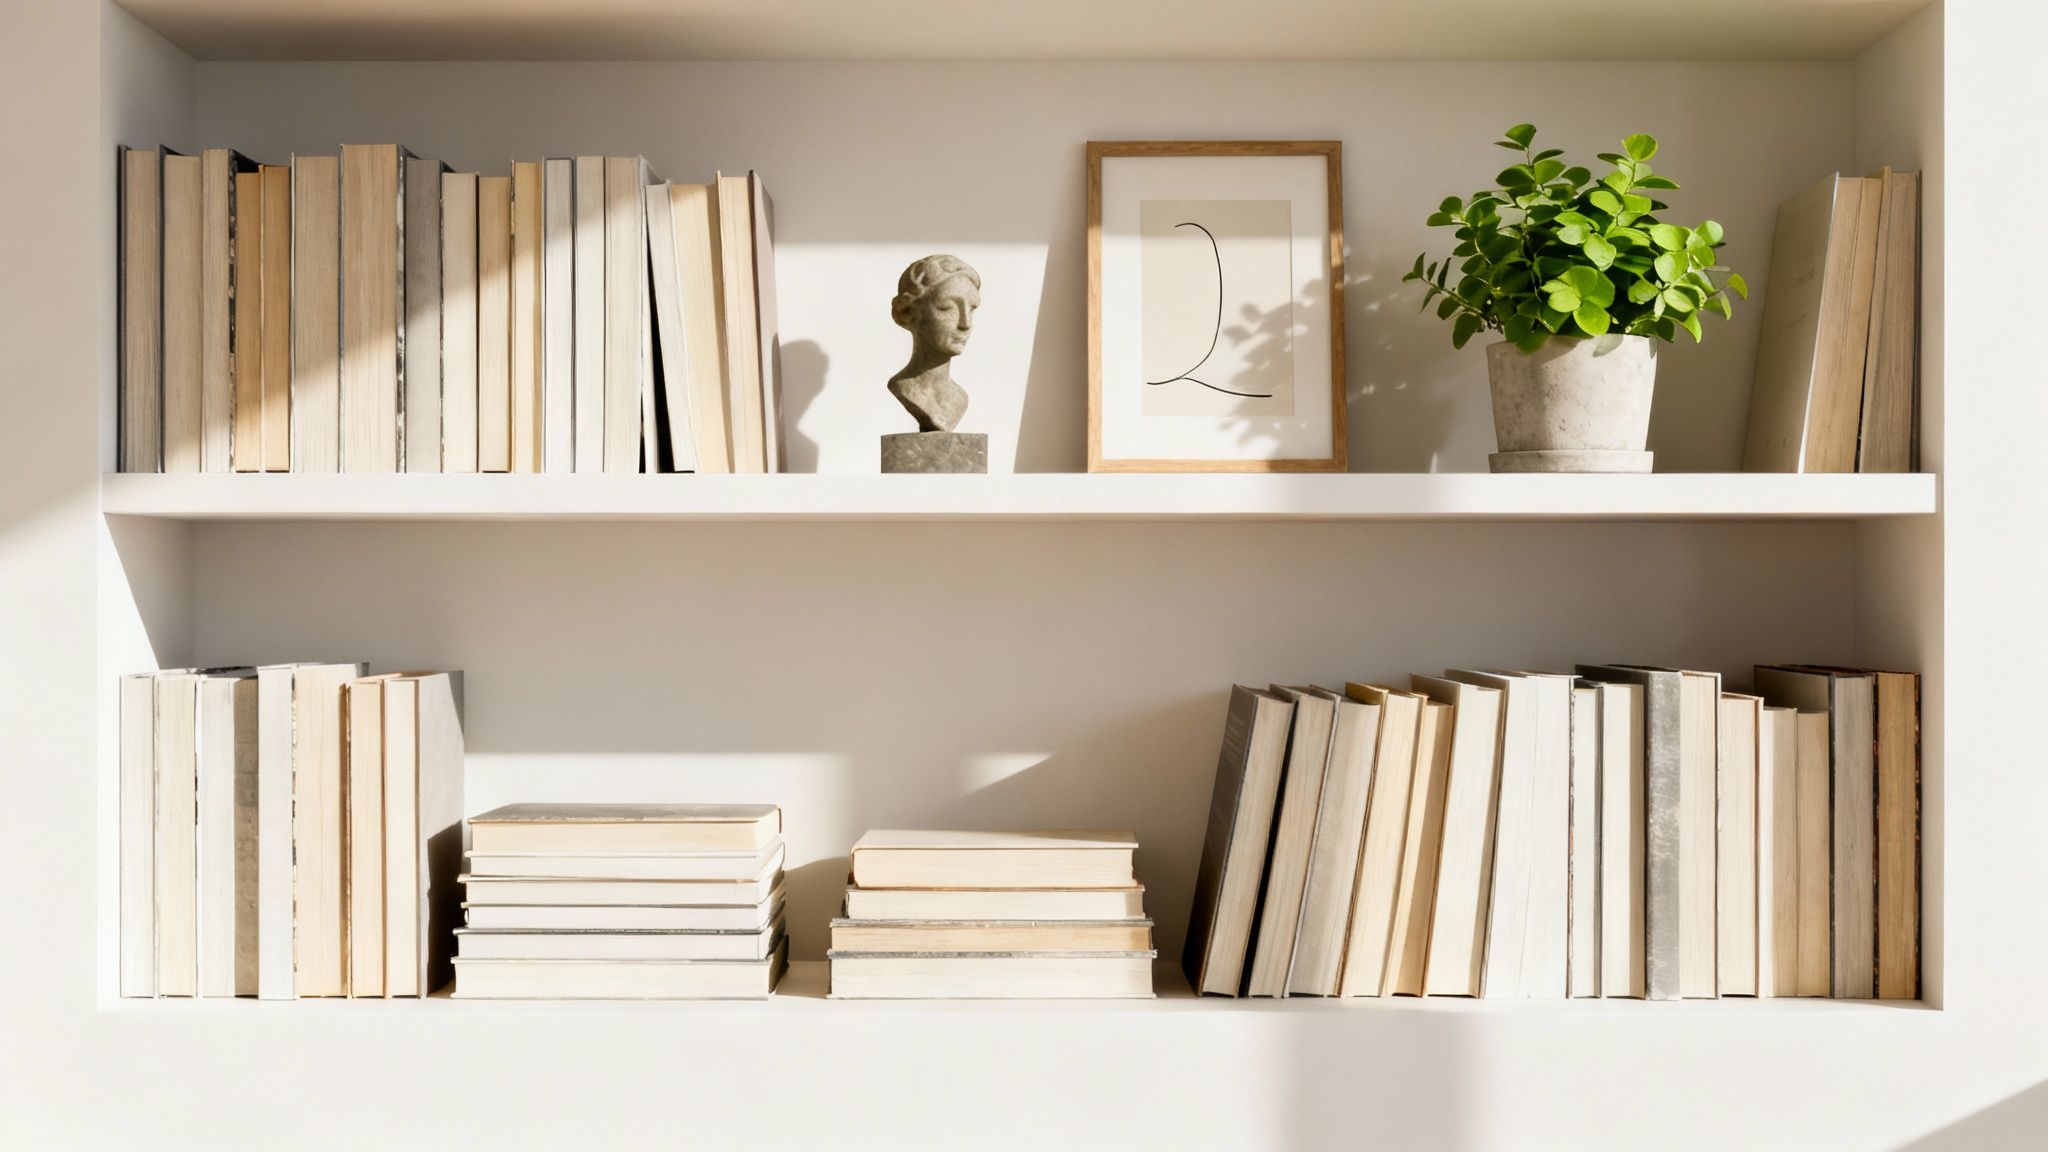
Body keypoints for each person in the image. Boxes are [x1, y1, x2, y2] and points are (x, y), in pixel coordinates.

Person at [888, 255, 981, 433]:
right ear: (909, 312)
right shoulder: (904, 387)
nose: (965, 323)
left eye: (971, 308)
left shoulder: (958, 399)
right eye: (947, 307)